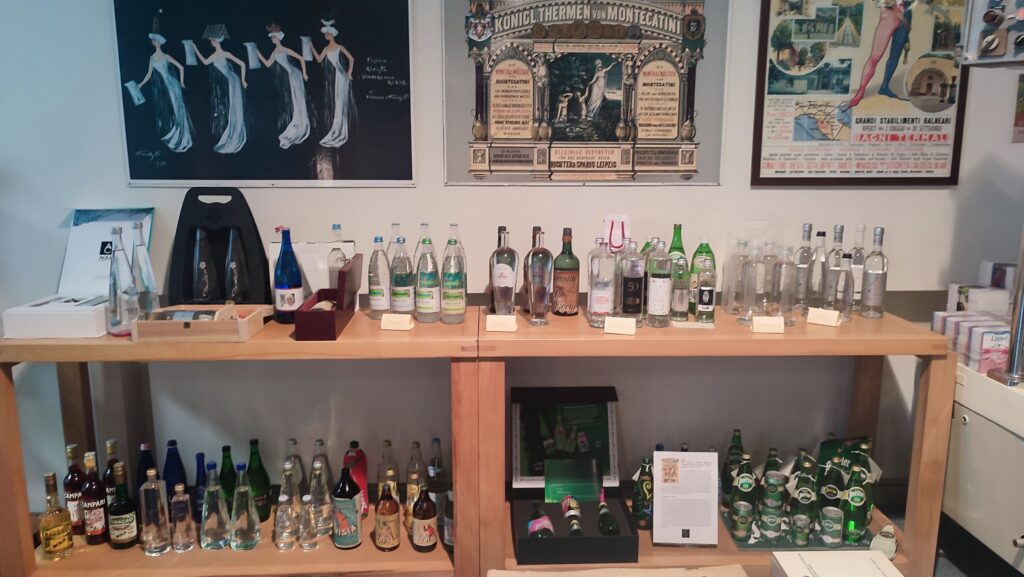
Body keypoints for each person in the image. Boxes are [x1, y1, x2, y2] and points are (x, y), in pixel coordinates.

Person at [192, 24, 248, 153]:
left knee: (233, 108)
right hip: (228, 82)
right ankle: (231, 135)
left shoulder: (224, 53)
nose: (211, 42)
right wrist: (195, 48)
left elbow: (242, 63)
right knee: (231, 109)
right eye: (211, 40)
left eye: (212, 40)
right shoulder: (214, 55)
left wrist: (243, 80)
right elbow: (205, 62)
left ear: (217, 41)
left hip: (232, 81)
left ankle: (234, 135)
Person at [253, 24, 310, 149]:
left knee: (298, 99)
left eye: (273, 37)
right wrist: (258, 54)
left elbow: (301, 58)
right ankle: (298, 121)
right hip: (291, 76)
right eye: (271, 37)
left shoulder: (284, 49)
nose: (272, 39)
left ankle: (302, 122)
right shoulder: (274, 52)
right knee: (295, 99)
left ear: (278, 37)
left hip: (295, 74)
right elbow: (268, 64)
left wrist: (305, 73)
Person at [137, 31, 193, 152]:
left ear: (157, 42)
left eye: (154, 40)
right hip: (166, 86)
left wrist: (181, 82)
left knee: (179, 109)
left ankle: (183, 137)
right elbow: (148, 74)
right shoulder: (152, 58)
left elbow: (181, 67)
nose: (152, 42)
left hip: (173, 85)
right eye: (152, 40)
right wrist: (141, 83)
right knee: (175, 110)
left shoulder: (166, 56)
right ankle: (179, 135)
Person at [848, 0, 908, 107]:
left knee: (895, 56)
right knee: (874, 58)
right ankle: (861, 91)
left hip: (906, 15)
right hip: (890, 15)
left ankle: (884, 87)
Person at [314, 19, 357, 148]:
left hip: (342, 77)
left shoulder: (339, 47)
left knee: (340, 104)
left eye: (326, 34)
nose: (325, 36)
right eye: (325, 34)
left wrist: (349, 73)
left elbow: (351, 58)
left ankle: (340, 131)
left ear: (331, 34)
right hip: (337, 77)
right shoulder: (326, 48)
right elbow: (319, 59)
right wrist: (310, 46)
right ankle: (336, 129)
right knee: (338, 103)